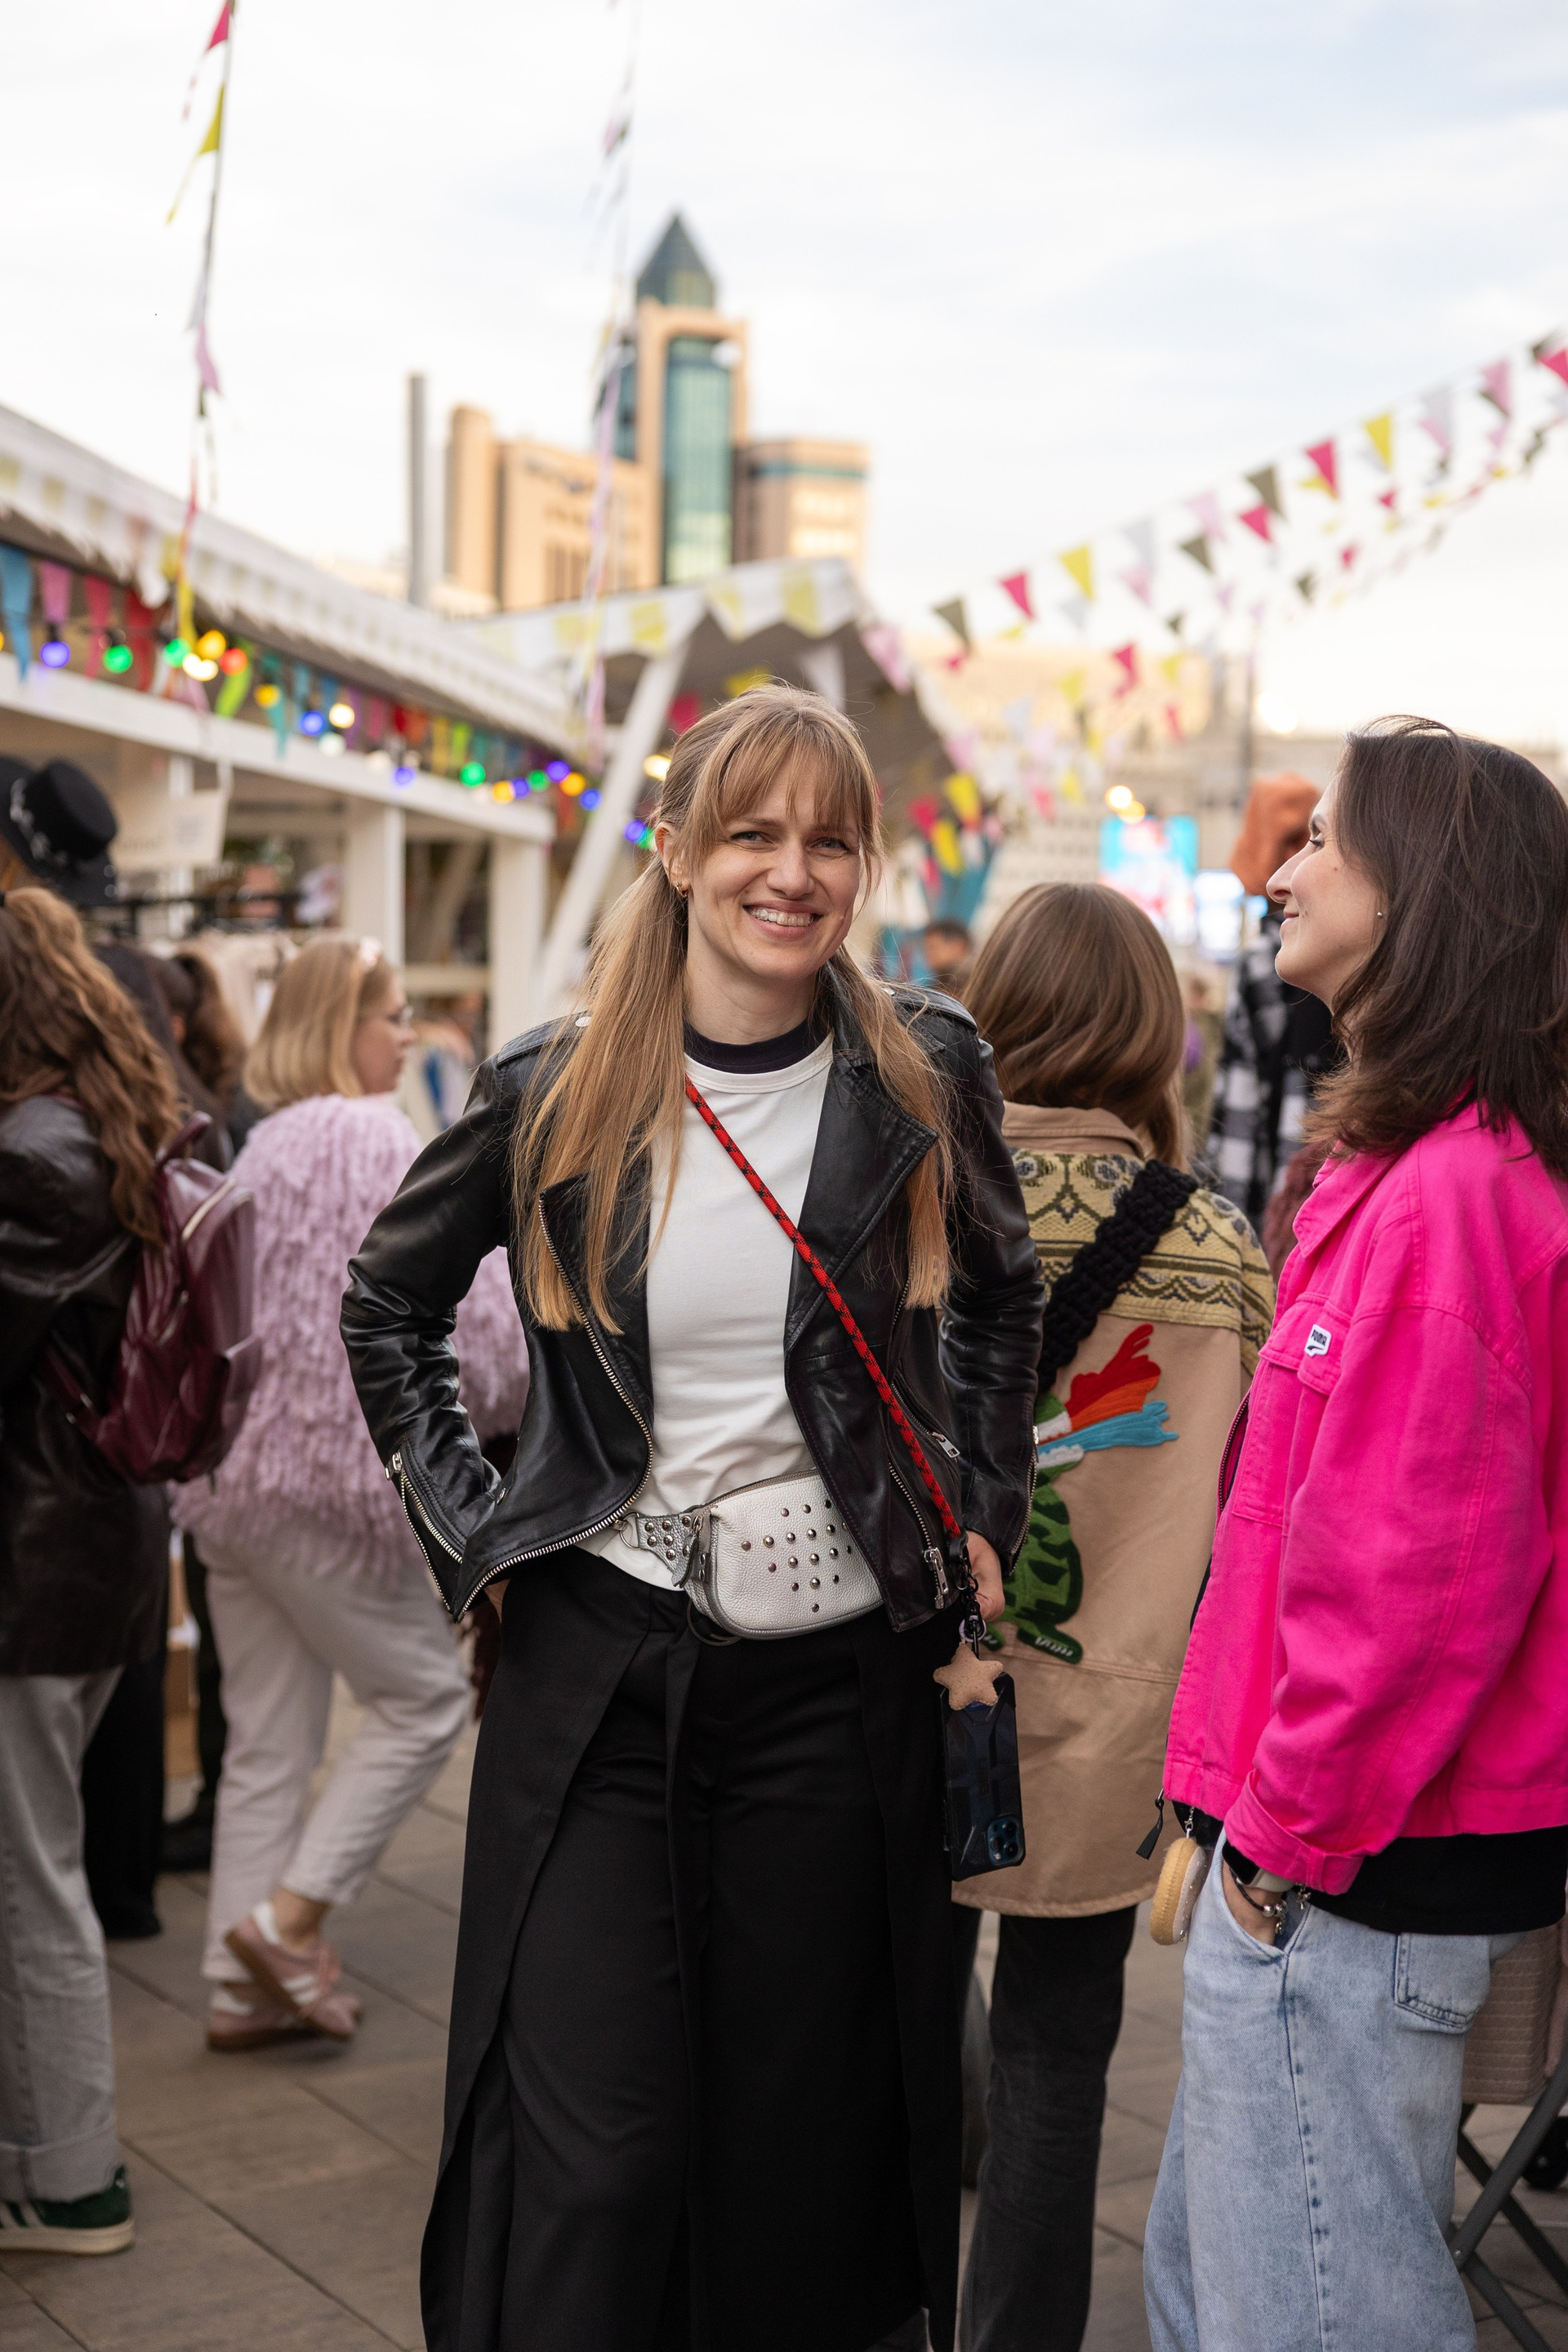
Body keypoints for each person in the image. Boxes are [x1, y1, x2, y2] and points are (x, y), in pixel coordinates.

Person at [341, 684, 1044, 2352]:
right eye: (752, 834)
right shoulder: (555, 1084)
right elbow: (387, 1305)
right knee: (600, 2158)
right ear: (673, 851)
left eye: (829, 842)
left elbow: (1003, 1297)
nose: (792, 873)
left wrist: (982, 1502)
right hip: (601, 1679)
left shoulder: (921, 1066)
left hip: (836, 1693)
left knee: (794, 2158)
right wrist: (475, 1541)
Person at [1145, 719, 1568, 2352]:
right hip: (1329, 1856)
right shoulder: (1420, 1174)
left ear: (1425, 892)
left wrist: (1277, 1854)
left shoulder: (1455, 1196)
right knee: (1231, 2292)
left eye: (1324, 838)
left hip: (1347, 1869)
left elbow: (1411, 1589)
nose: (1282, 869)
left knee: (1306, 2317)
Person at [953, 883, 1272, 2352]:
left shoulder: (907, 1196)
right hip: (1113, 1727)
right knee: (1056, 2063)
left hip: (906, 1691)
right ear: (1154, 1033)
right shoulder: (1219, 1246)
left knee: (882, 2044)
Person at [172, 940, 528, 2052]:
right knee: (422, 1703)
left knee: (265, 1742)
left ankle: (238, 1989)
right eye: (393, 1012)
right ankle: (286, 1925)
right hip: (333, 1493)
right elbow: (478, 1336)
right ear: (344, 1024)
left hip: (232, 1487)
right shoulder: (379, 1139)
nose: (410, 1033)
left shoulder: (261, 1142)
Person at [0, 888, 184, 2257]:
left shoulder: (32, 1155)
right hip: (94, 1545)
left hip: (36, 1562)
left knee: (31, 1879)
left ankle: (71, 2181)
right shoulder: (112, 1127)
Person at [1205, 773, 1341, 1223]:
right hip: (1343, 1188)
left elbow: (1241, 1103)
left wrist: (1232, 1223)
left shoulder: (1264, 962)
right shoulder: (1350, 945)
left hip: (1281, 1198)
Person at [923, 915, 973, 991]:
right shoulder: (938, 984)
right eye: (925, 949)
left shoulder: (972, 984)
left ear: (959, 946)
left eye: (932, 948)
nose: (927, 955)